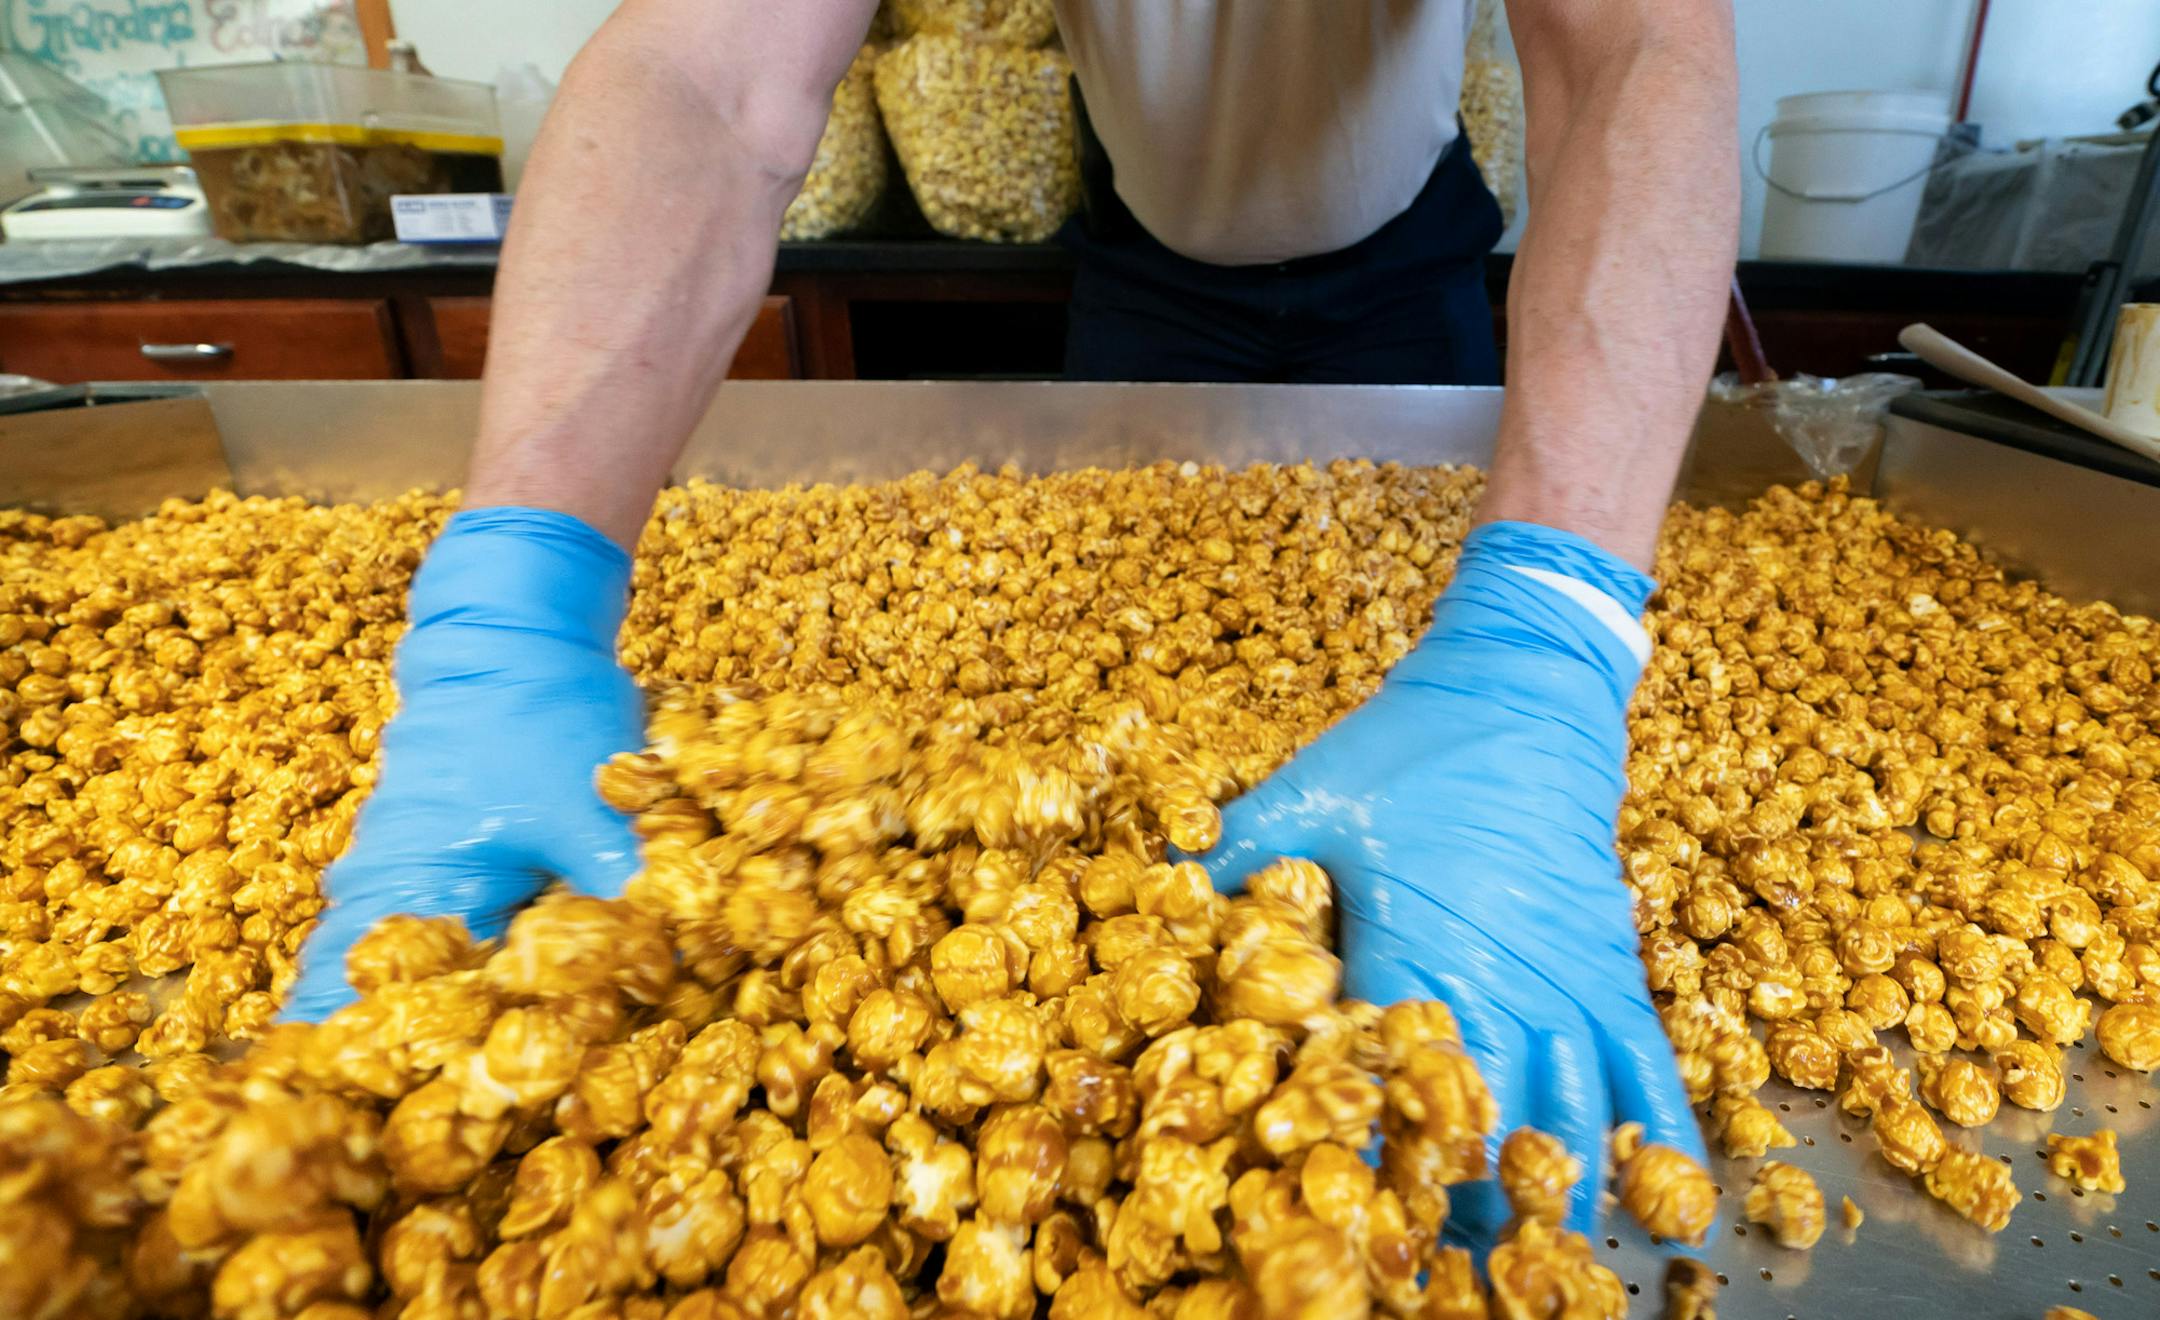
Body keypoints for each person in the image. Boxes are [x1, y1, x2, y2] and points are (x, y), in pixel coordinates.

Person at [285, 0, 1739, 1242]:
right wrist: (514, 600)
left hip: (1409, 252)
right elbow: (708, 78)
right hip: (1146, 258)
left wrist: (1548, 632)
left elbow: (1634, 39)